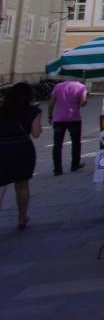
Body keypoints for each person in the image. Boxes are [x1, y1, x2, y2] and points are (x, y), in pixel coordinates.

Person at [0, 82, 42, 230]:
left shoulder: (2, 110)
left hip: (2, 147)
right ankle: (22, 218)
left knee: (1, 185)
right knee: (22, 185)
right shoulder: (34, 111)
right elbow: (36, 133)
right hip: (22, 148)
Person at [48, 78, 87, 176]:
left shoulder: (57, 86)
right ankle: (75, 164)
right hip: (74, 118)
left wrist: (50, 116)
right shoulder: (81, 87)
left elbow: (51, 103)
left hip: (59, 119)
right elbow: (82, 103)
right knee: (76, 142)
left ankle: (57, 169)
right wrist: (85, 98)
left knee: (57, 144)